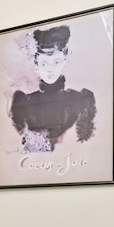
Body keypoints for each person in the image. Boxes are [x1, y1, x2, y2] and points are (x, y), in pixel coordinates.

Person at [10, 24, 96, 153]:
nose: (50, 69)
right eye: (44, 63)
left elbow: (84, 144)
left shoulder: (80, 101)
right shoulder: (24, 103)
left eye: (56, 62)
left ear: (65, 59)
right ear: (36, 63)